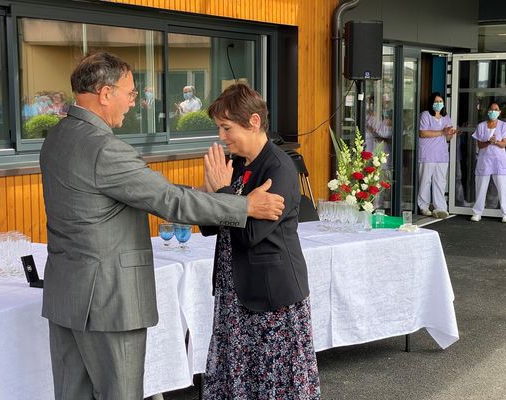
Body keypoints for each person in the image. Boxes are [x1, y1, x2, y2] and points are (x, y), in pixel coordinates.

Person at [39, 52, 285, 400]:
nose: (133, 100)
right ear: (105, 93)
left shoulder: (57, 137)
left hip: (68, 295)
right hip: (109, 301)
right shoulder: (103, 147)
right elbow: (169, 201)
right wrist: (245, 205)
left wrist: (203, 193)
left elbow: (156, 193)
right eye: (130, 91)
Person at [199, 83, 320, 399]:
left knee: (275, 383)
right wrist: (212, 194)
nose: (222, 137)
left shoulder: (278, 166)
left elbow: (251, 235)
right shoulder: (237, 165)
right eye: (220, 129)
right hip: (234, 292)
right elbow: (211, 227)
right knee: (239, 379)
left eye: (227, 128)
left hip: (270, 295)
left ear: (253, 122)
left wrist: (224, 195)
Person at [470, 101, 506, 223]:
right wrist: (489, 142)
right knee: (481, 187)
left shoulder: (504, 126)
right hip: (484, 161)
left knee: (503, 188)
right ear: (488, 111)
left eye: (496, 109)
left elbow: (504, 144)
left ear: (499, 112)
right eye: (491, 109)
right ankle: (477, 212)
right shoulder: (482, 126)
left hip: (499, 161)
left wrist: (495, 142)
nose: (493, 112)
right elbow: (479, 144)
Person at [417, 92, 456, 219]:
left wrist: (451, 133)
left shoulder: (446, 117)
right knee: (425, 180)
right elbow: (422, 133)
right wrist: (442, 132)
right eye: (436, 101)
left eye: (441, 102)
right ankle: (424, 206)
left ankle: (440, 207)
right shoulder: (425, 115)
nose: (439, 104)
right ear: (431, 103)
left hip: (441, 154)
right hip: (428, 153)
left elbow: (447, 136)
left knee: (440, 181)